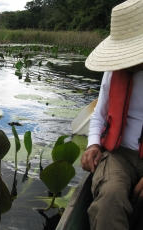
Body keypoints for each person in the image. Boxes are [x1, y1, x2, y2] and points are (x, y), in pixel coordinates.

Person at [81, 0, 143, 229]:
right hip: (120, 155)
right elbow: (99, 113)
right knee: (109, 199)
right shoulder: (114, 71)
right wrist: (93, 144)